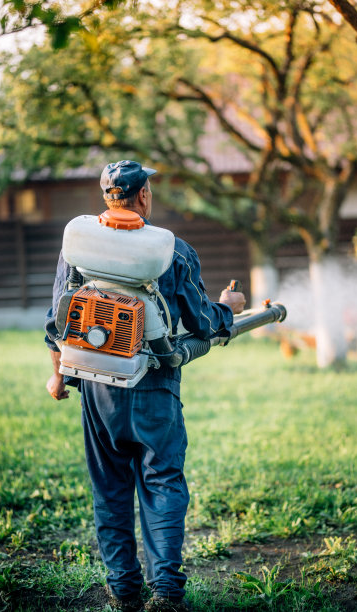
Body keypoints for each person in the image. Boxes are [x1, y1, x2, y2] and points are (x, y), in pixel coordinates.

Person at [45, 160, 246, 612]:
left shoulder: (75, 245)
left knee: (110, 487)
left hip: (96, 387)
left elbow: (57, 320)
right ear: (142, 197)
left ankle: (122, 589)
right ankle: (166, 594)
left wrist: (58, 372)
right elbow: (203, 320)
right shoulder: (172, 251)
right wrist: (228, 306)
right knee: (162, 481)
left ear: (107, 198)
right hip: (154, 384)